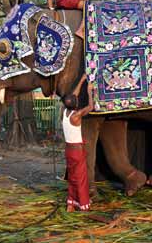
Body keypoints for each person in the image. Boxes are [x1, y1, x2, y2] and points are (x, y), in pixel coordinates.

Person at [61, 74, 94, 212]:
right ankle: (83, 205)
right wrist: (89, 91)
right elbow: (91, 107)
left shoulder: (64, 112)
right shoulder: (76, 116)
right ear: (75, 104)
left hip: (68, 150)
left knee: (72, 177)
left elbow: (72, 96)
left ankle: (71, 202)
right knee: (80, 178)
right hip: (77, 151)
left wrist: (81, 80)